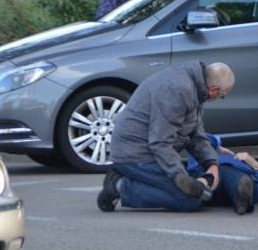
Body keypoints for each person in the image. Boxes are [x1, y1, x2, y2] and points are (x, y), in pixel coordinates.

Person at [96, 62, 247, 213]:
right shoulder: (178, 90)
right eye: (222, 96)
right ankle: (119, 186)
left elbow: (196, 135)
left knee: (194, 190)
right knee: (190, 200)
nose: (218, 98)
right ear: (214, 90)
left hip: (147, 150)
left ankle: (131, 177)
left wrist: (212, 164)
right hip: (134, 154)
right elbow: (160, 143)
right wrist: (179, 176)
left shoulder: (195, 88)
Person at [187, 134, 258, 215]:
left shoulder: (237, 160)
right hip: (211, 177)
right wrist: (218, 146)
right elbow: (196, 137)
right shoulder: (201, 155)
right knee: (215, 178)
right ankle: (198, 190)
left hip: (231, 175)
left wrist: (256, 165)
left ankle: (242, 196)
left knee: (236, 178)